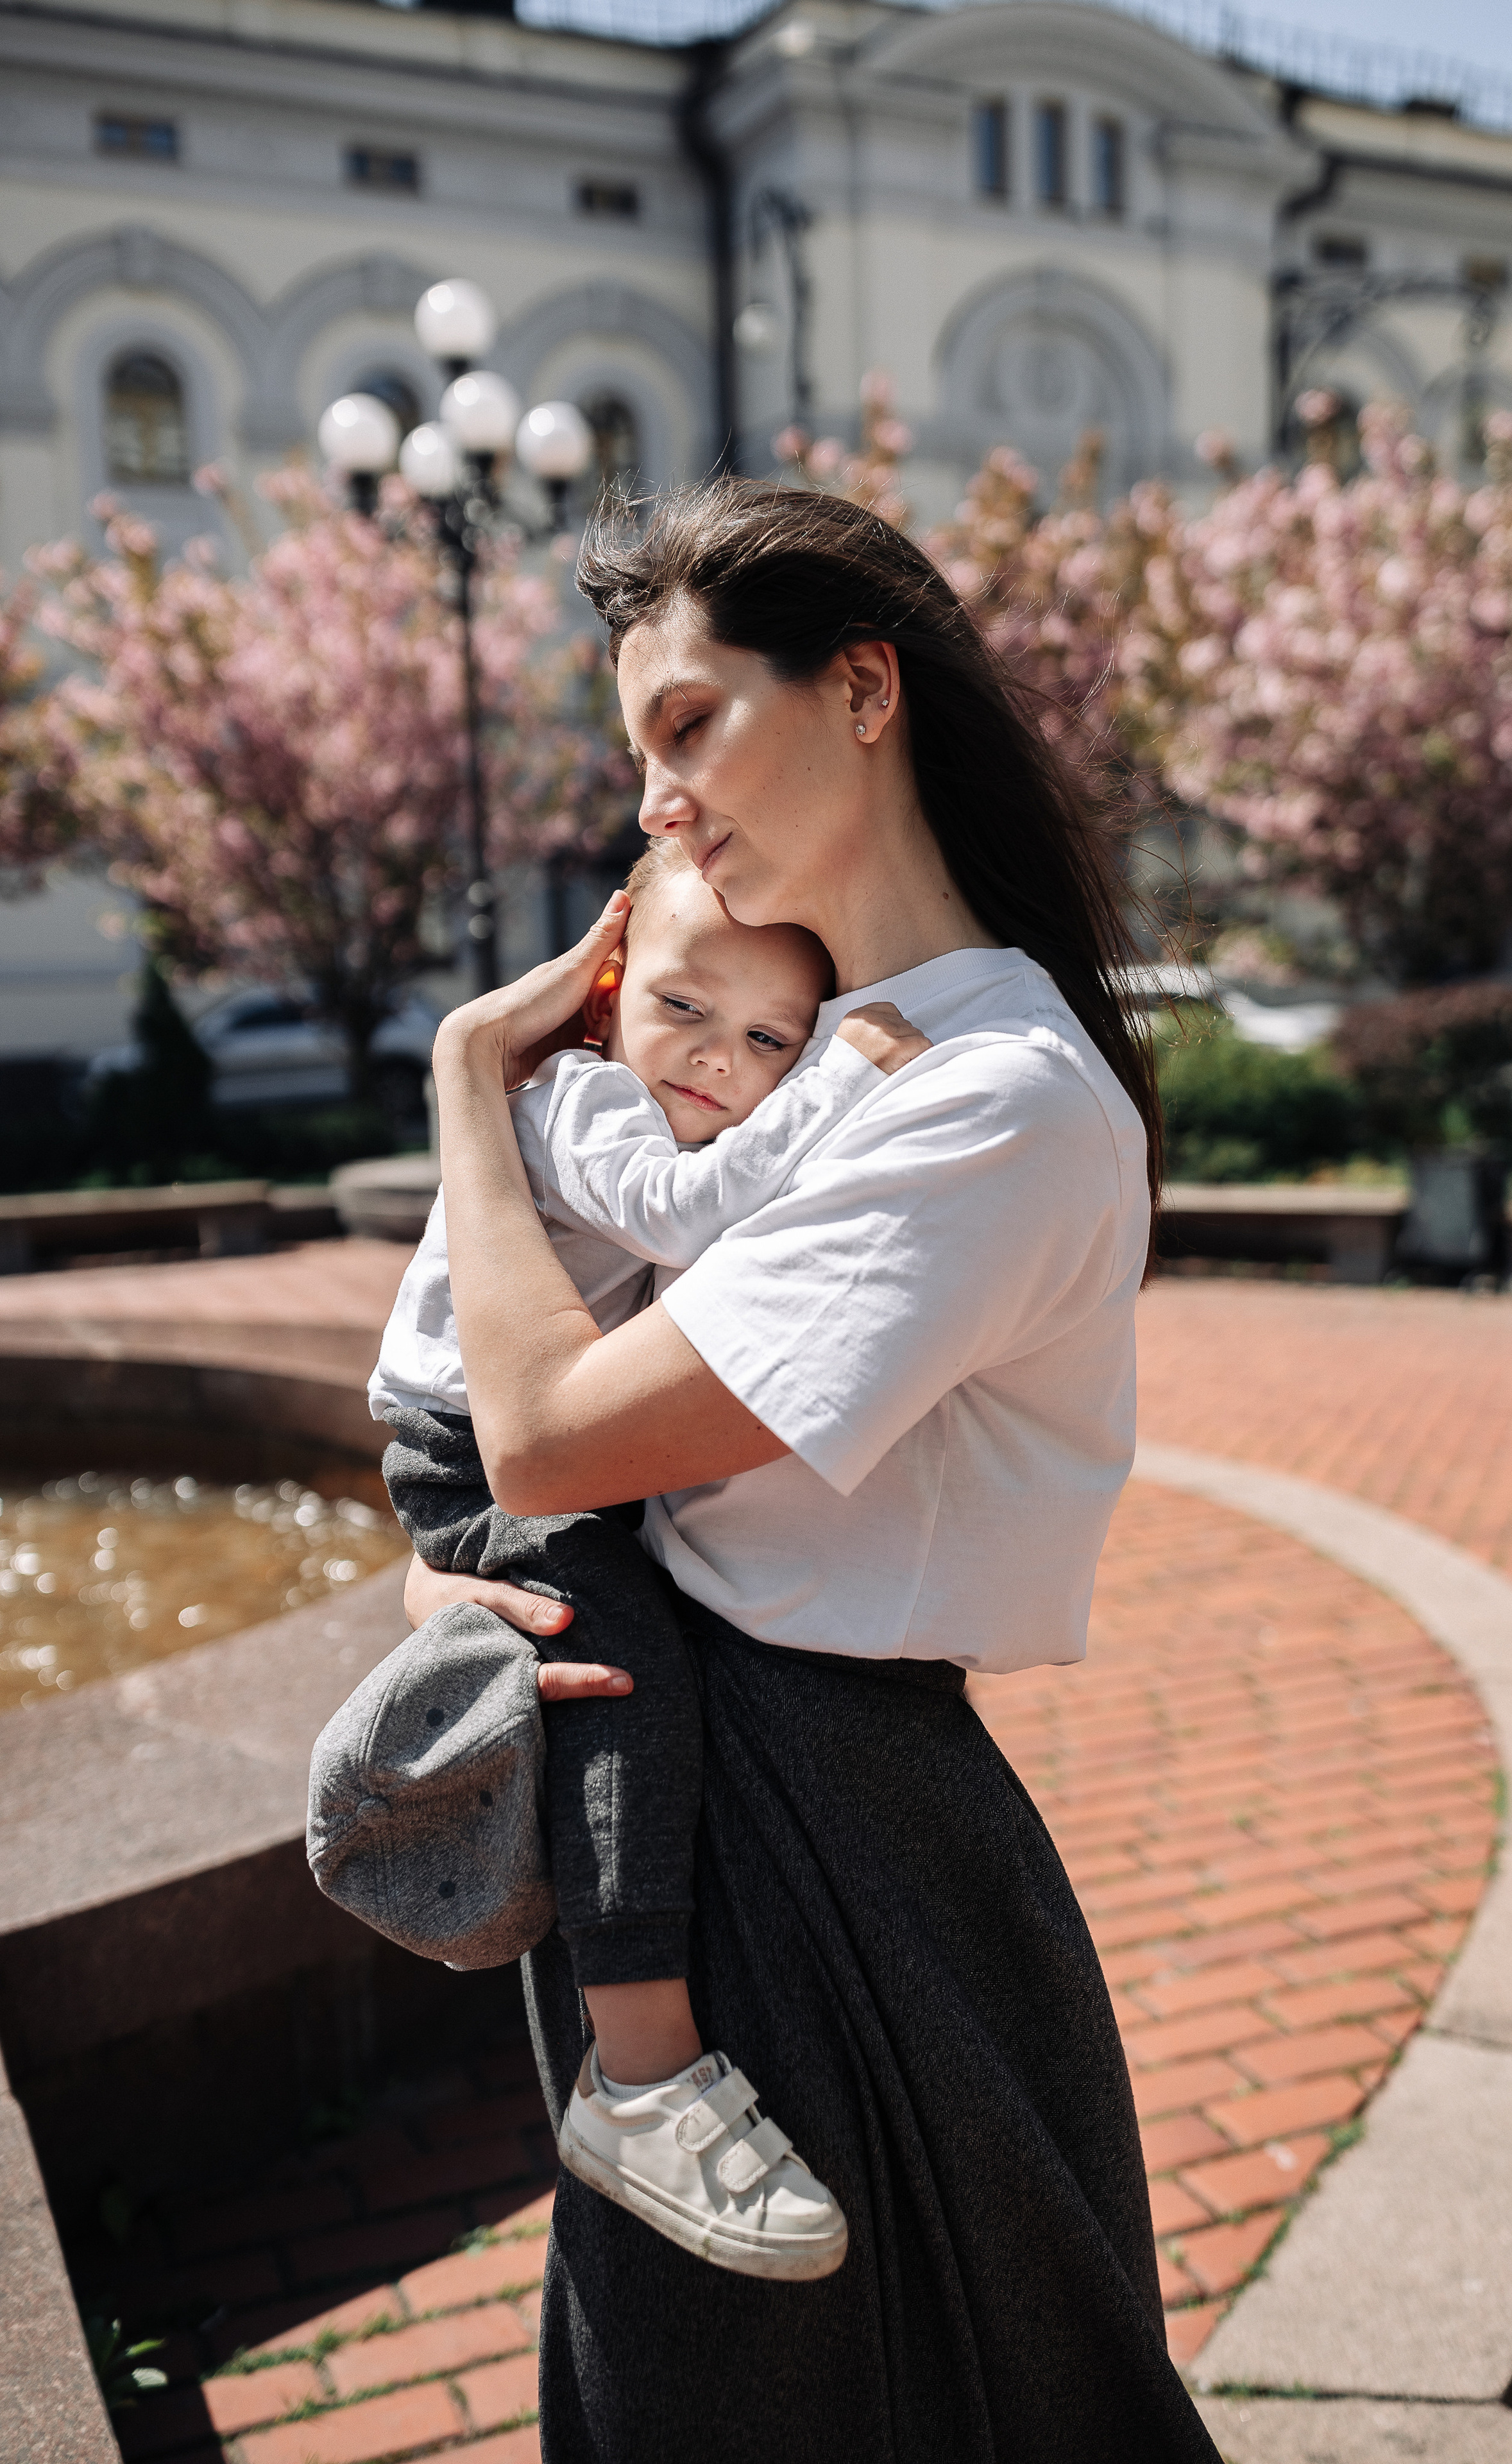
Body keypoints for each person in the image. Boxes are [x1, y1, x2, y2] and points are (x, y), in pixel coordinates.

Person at [405, 483, 1221, 2461]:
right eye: (637, 759)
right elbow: (530, 1432)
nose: (659, 805)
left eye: (689, 726)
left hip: (833, 1840)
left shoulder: (990, 1097)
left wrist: (464, 1088)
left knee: (871, 2399)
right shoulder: (808, 1046)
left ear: (862, 689)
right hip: (696, 1791)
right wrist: (467, 1566)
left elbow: (545, 1422)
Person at [365, 835, 933, 2277]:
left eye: (765, 1039)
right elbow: (692, 1213)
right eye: (684, 1008)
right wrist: (843, 1079)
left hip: (506, 1439)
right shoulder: (574, 1100)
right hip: (464, 1438)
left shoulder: (625, 1099)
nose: (714, 1062)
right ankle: (639, 2072)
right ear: (605, 982)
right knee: (621, 1672)